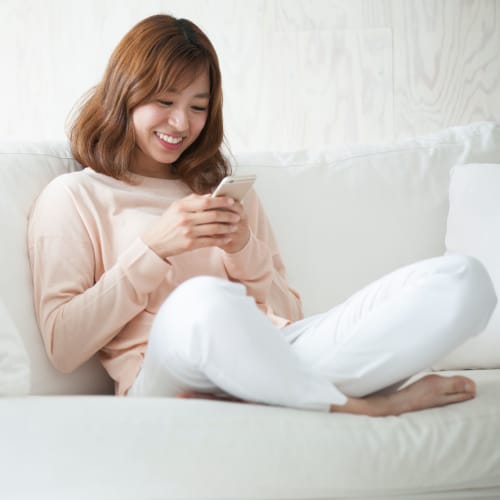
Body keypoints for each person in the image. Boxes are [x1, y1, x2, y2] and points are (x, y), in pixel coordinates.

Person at [28, 14, 497, 416]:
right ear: (125, 94)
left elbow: (289, 314)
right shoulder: (74, 196)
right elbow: (64, 346)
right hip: (165, 372)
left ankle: (273, 391)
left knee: (463, 279)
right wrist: (155, 248)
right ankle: (359, 407)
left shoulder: (227, 193)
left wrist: (242, 249)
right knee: (203, 301)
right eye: (165, 101)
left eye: (198, 107)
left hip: (277, 351)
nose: (180, 124)